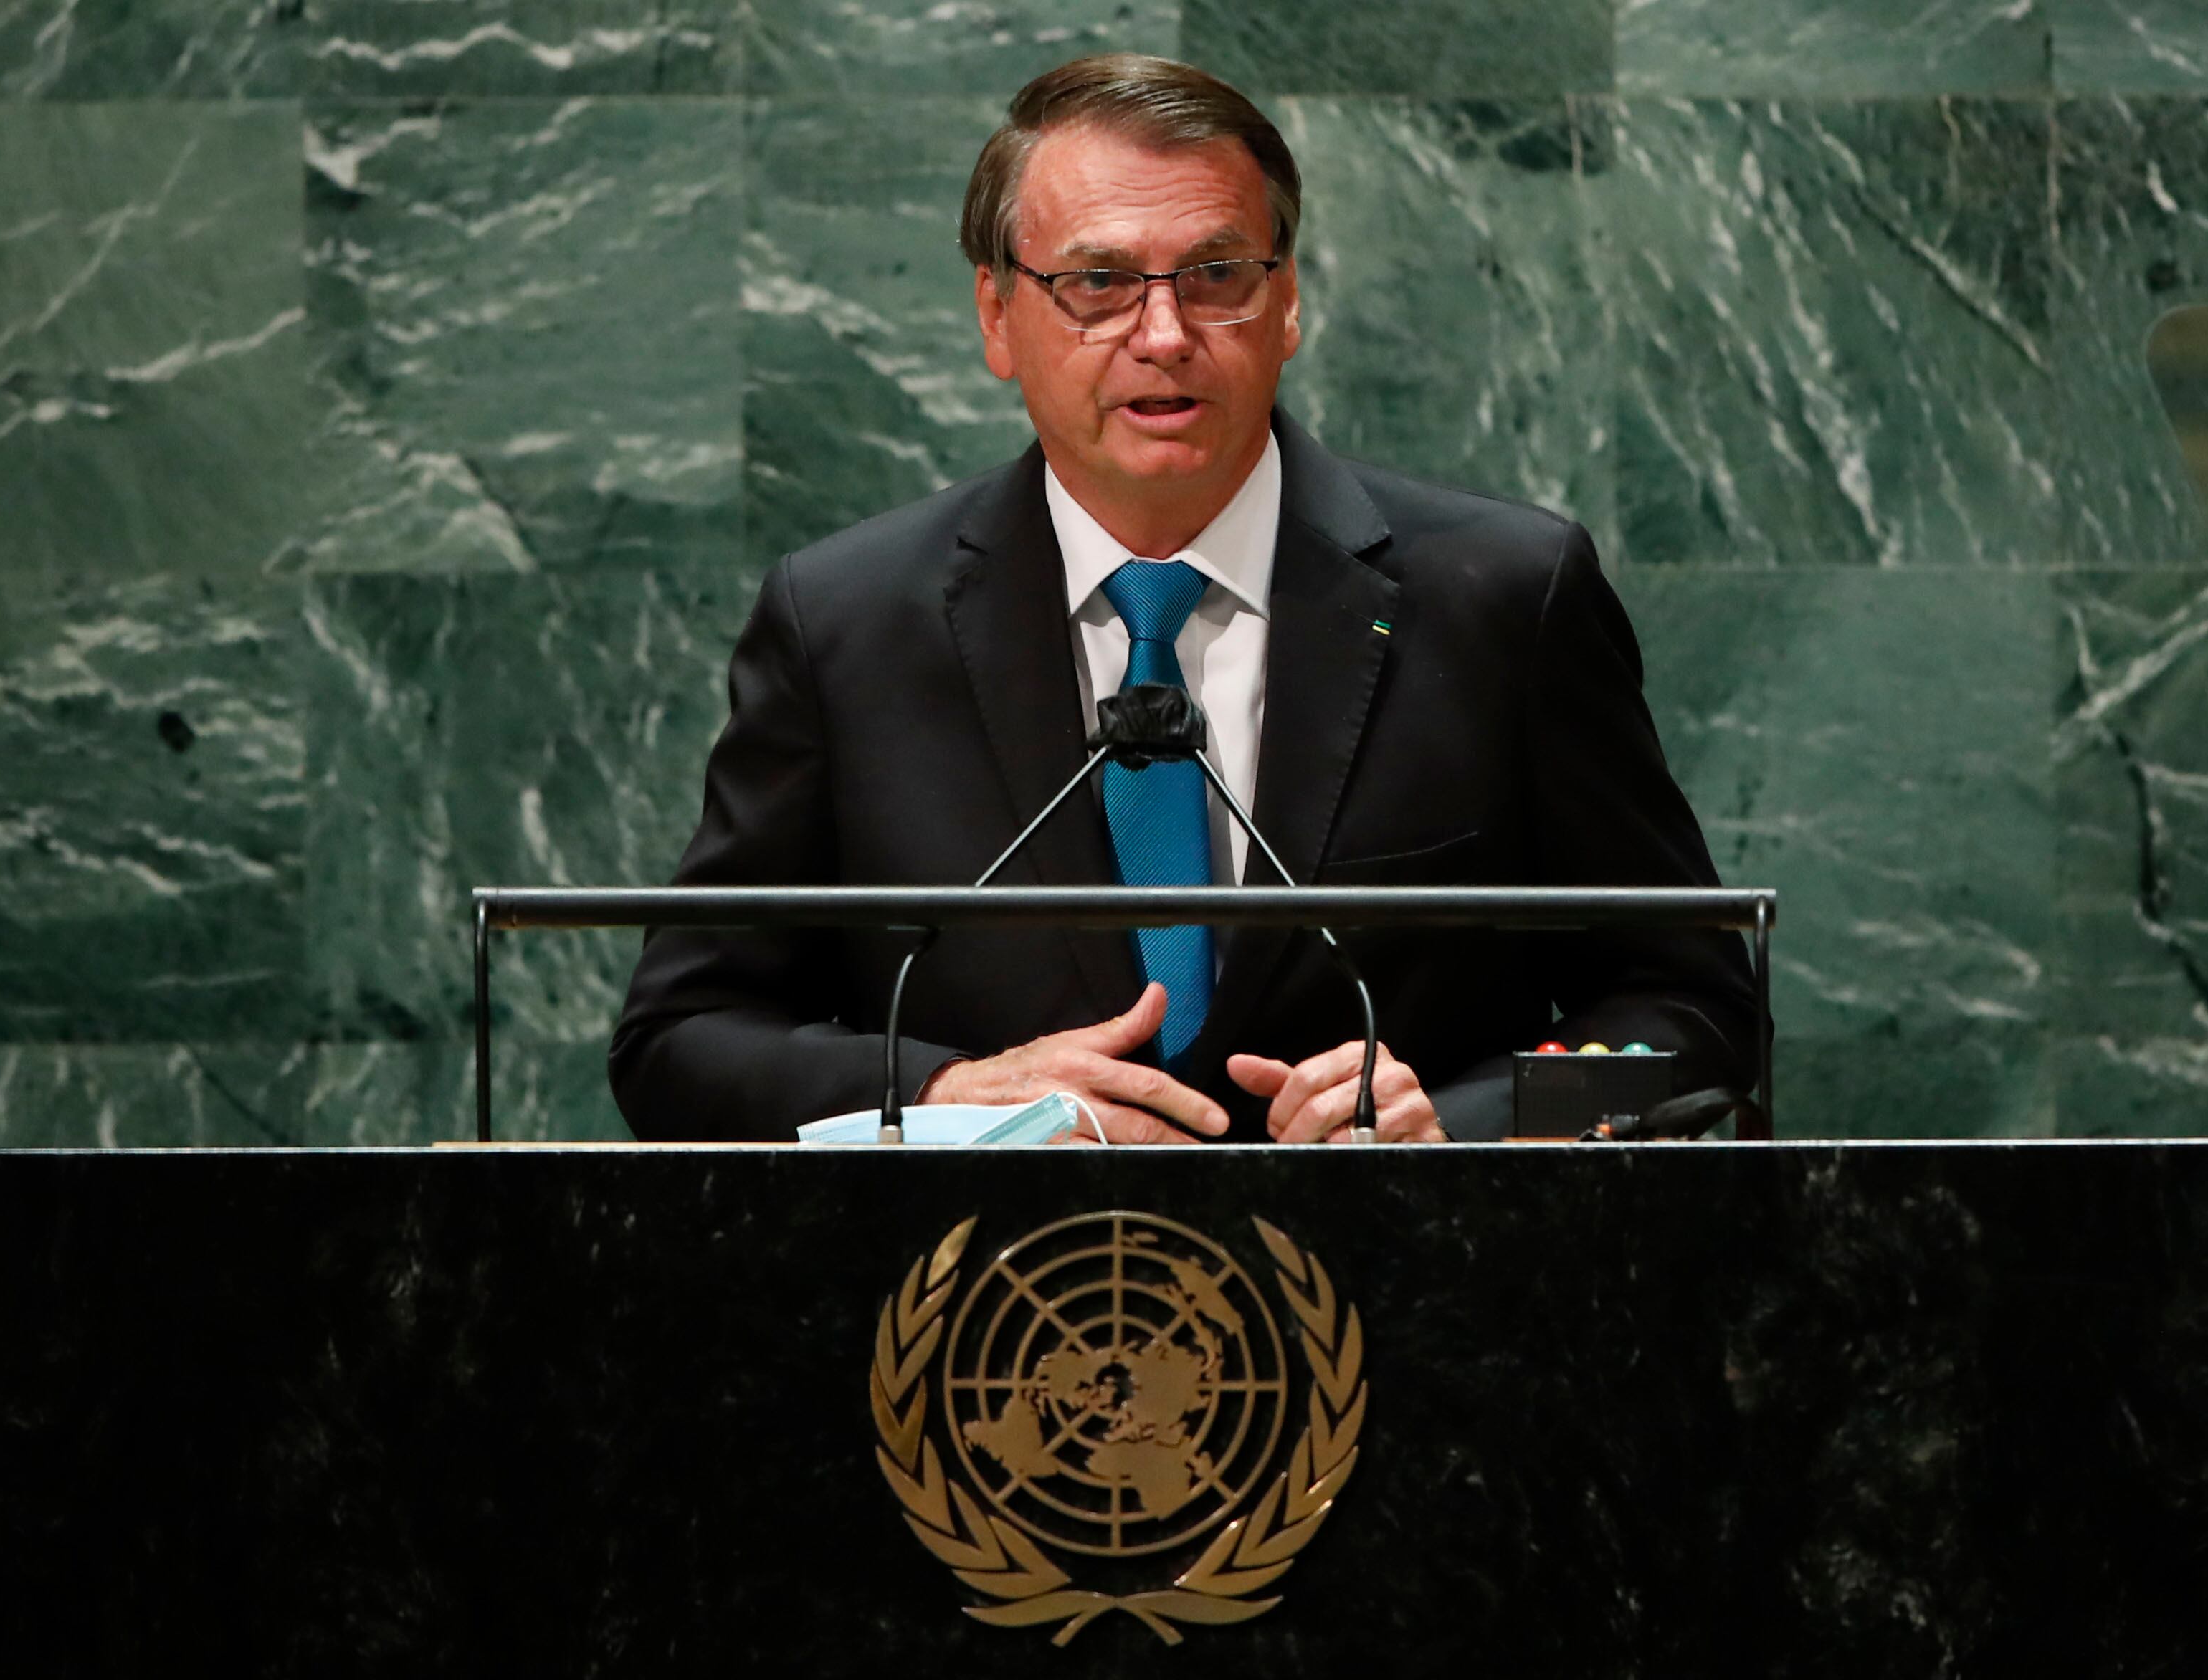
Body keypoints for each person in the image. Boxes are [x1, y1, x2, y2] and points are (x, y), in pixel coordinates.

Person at [612, 54, 1758, 1145]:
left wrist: (1458, 1125)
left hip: (1421, 1303)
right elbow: (682, 1040)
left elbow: (1695, 1009)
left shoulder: (1502, 599)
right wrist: (950, 1094)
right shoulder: (845, 626)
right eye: (1098, 284)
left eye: (1216, 277)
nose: (1163, 336)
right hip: (994, 1318)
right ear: (997, 317)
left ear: (1289, 301)